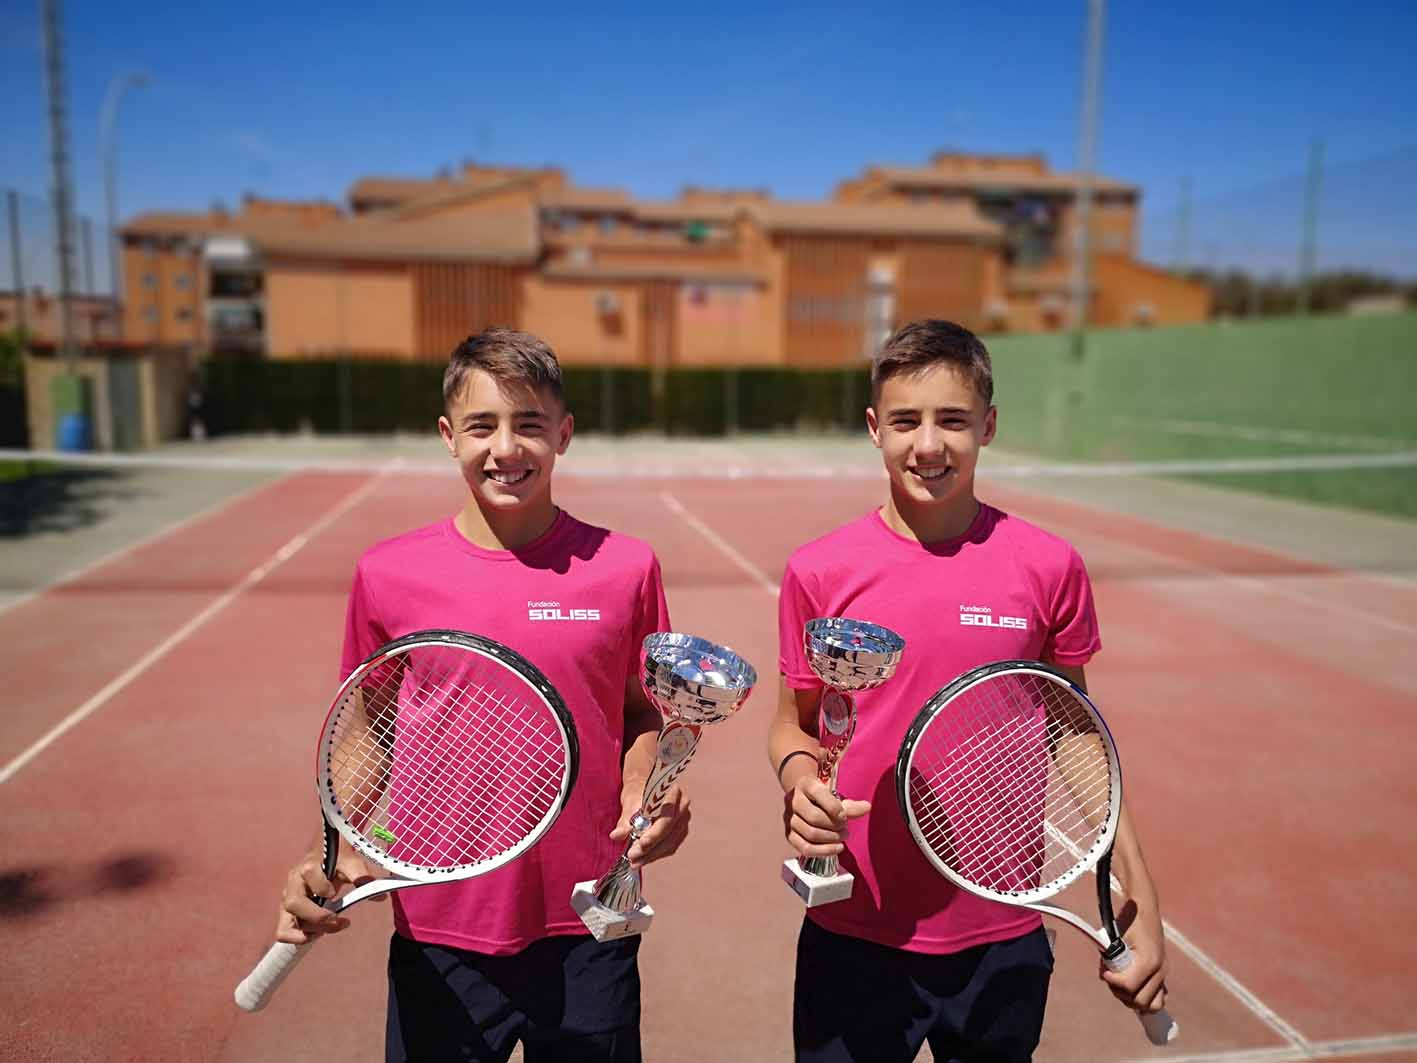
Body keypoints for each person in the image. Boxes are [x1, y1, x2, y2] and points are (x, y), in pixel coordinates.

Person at [275, 328, 688, 1062]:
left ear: (563, 434)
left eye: (529, 424)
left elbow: (640, 708)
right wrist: (327, 848)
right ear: (447, 435)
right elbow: (367, 729)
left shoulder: (626, 568)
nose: (506, 448)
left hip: (588, 918)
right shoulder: (388, 573)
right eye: (481, 426)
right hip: (441, 926)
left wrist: (642, 790)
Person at [767, 319, 1168, 1062]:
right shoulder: (818, 571)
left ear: (987, 425)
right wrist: (800, 785)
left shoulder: (1048, 566)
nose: (927, 444)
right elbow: (790, 726)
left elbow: (1074, 728)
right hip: (854, 927)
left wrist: (1135, 888)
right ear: (872, 428)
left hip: (1003, 931)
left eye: (951, 419)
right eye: (904, 421)